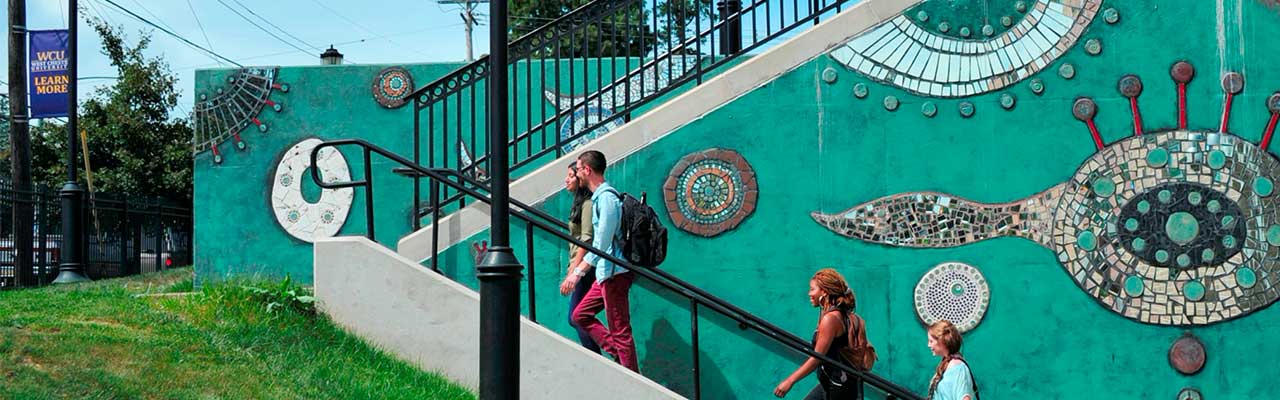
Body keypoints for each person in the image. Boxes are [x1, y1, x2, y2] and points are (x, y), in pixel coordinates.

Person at [569, 150, 638, 372]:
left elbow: (601, 244)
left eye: (578, 169)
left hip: (615, 273)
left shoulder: (607, 198)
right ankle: (618, 354)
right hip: (605, 273)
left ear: (587, 170)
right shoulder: (600, 198)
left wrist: (578, 272)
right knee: (580, 315)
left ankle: (632, 379)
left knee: (620, 330)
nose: (577, 174)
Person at [774, 268, 865, 399]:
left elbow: (817, 357)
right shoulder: (845, 315)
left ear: (824, 292)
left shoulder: (831, 319)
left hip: (838, 387)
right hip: (833, 382)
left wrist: (790, 381)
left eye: (812, 289)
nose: (809, 294)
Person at [558, 161, 600, 353]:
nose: (566, 180)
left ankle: (599, 355)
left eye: (571, 175)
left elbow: (587, 239)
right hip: (579, 264)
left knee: (577, 316)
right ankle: (597, 354)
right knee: (576, 317)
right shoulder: (579, 202)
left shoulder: (588, 203)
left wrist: (575, 270)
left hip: (586, 267)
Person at [926, 320, 978, 400]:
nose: (928, 345)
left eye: (931, 341)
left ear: (942, 341)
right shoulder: (946, 364)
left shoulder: (958, 368)